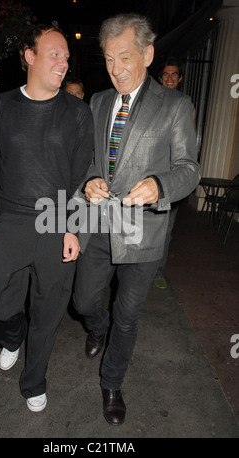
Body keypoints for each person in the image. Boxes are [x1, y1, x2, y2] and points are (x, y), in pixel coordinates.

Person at [73, 13, 200, 425]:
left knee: (127, 317)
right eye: (109, 59)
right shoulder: (97, 102)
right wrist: (89, 179)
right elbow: (90, 160)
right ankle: (97, 327)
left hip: (143, 231)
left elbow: (189, 168)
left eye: (124, 57)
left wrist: (160, 185)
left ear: (146, 54)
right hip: (98, 223)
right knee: (85, 300)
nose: (116, 70)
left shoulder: (176, 105)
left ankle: (112, 382)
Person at [0, 23, 93, 413]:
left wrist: (74, 227)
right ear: (30, 56)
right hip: (12, 219)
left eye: (67, 56)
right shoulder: (0, 107)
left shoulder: (77, 113)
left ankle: (34, 380)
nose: (63, 62)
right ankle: (12, 336)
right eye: (55, 53)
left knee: (49, 311)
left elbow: (80, 176)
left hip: (57, 220)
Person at [153, 57, 184, 289]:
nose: (170, 78)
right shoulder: (150, 104)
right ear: (160, 78)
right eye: (166, 74)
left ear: (180, 79)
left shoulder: (184, 105)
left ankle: (157, 271)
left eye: (174, 74)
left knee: (165, 229)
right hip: (148, 178)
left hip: (170, 182)